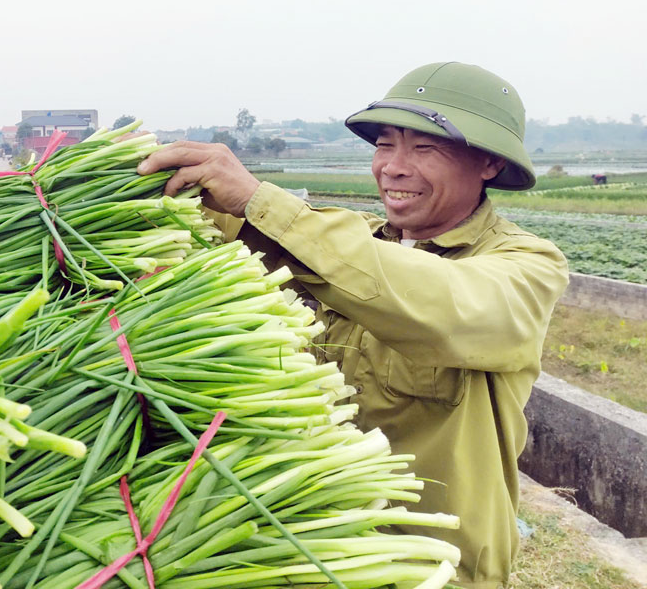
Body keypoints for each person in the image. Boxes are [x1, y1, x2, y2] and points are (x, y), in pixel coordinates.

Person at [137, 62, 569, 588]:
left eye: (425, 149)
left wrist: (260, 199)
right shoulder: (349, 240)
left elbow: (441, 302)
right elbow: (253, 241)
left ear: (488, 164)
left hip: (429, 566)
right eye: (385, 145)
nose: (394, 167)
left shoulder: (526, 264)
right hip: (307, 547)